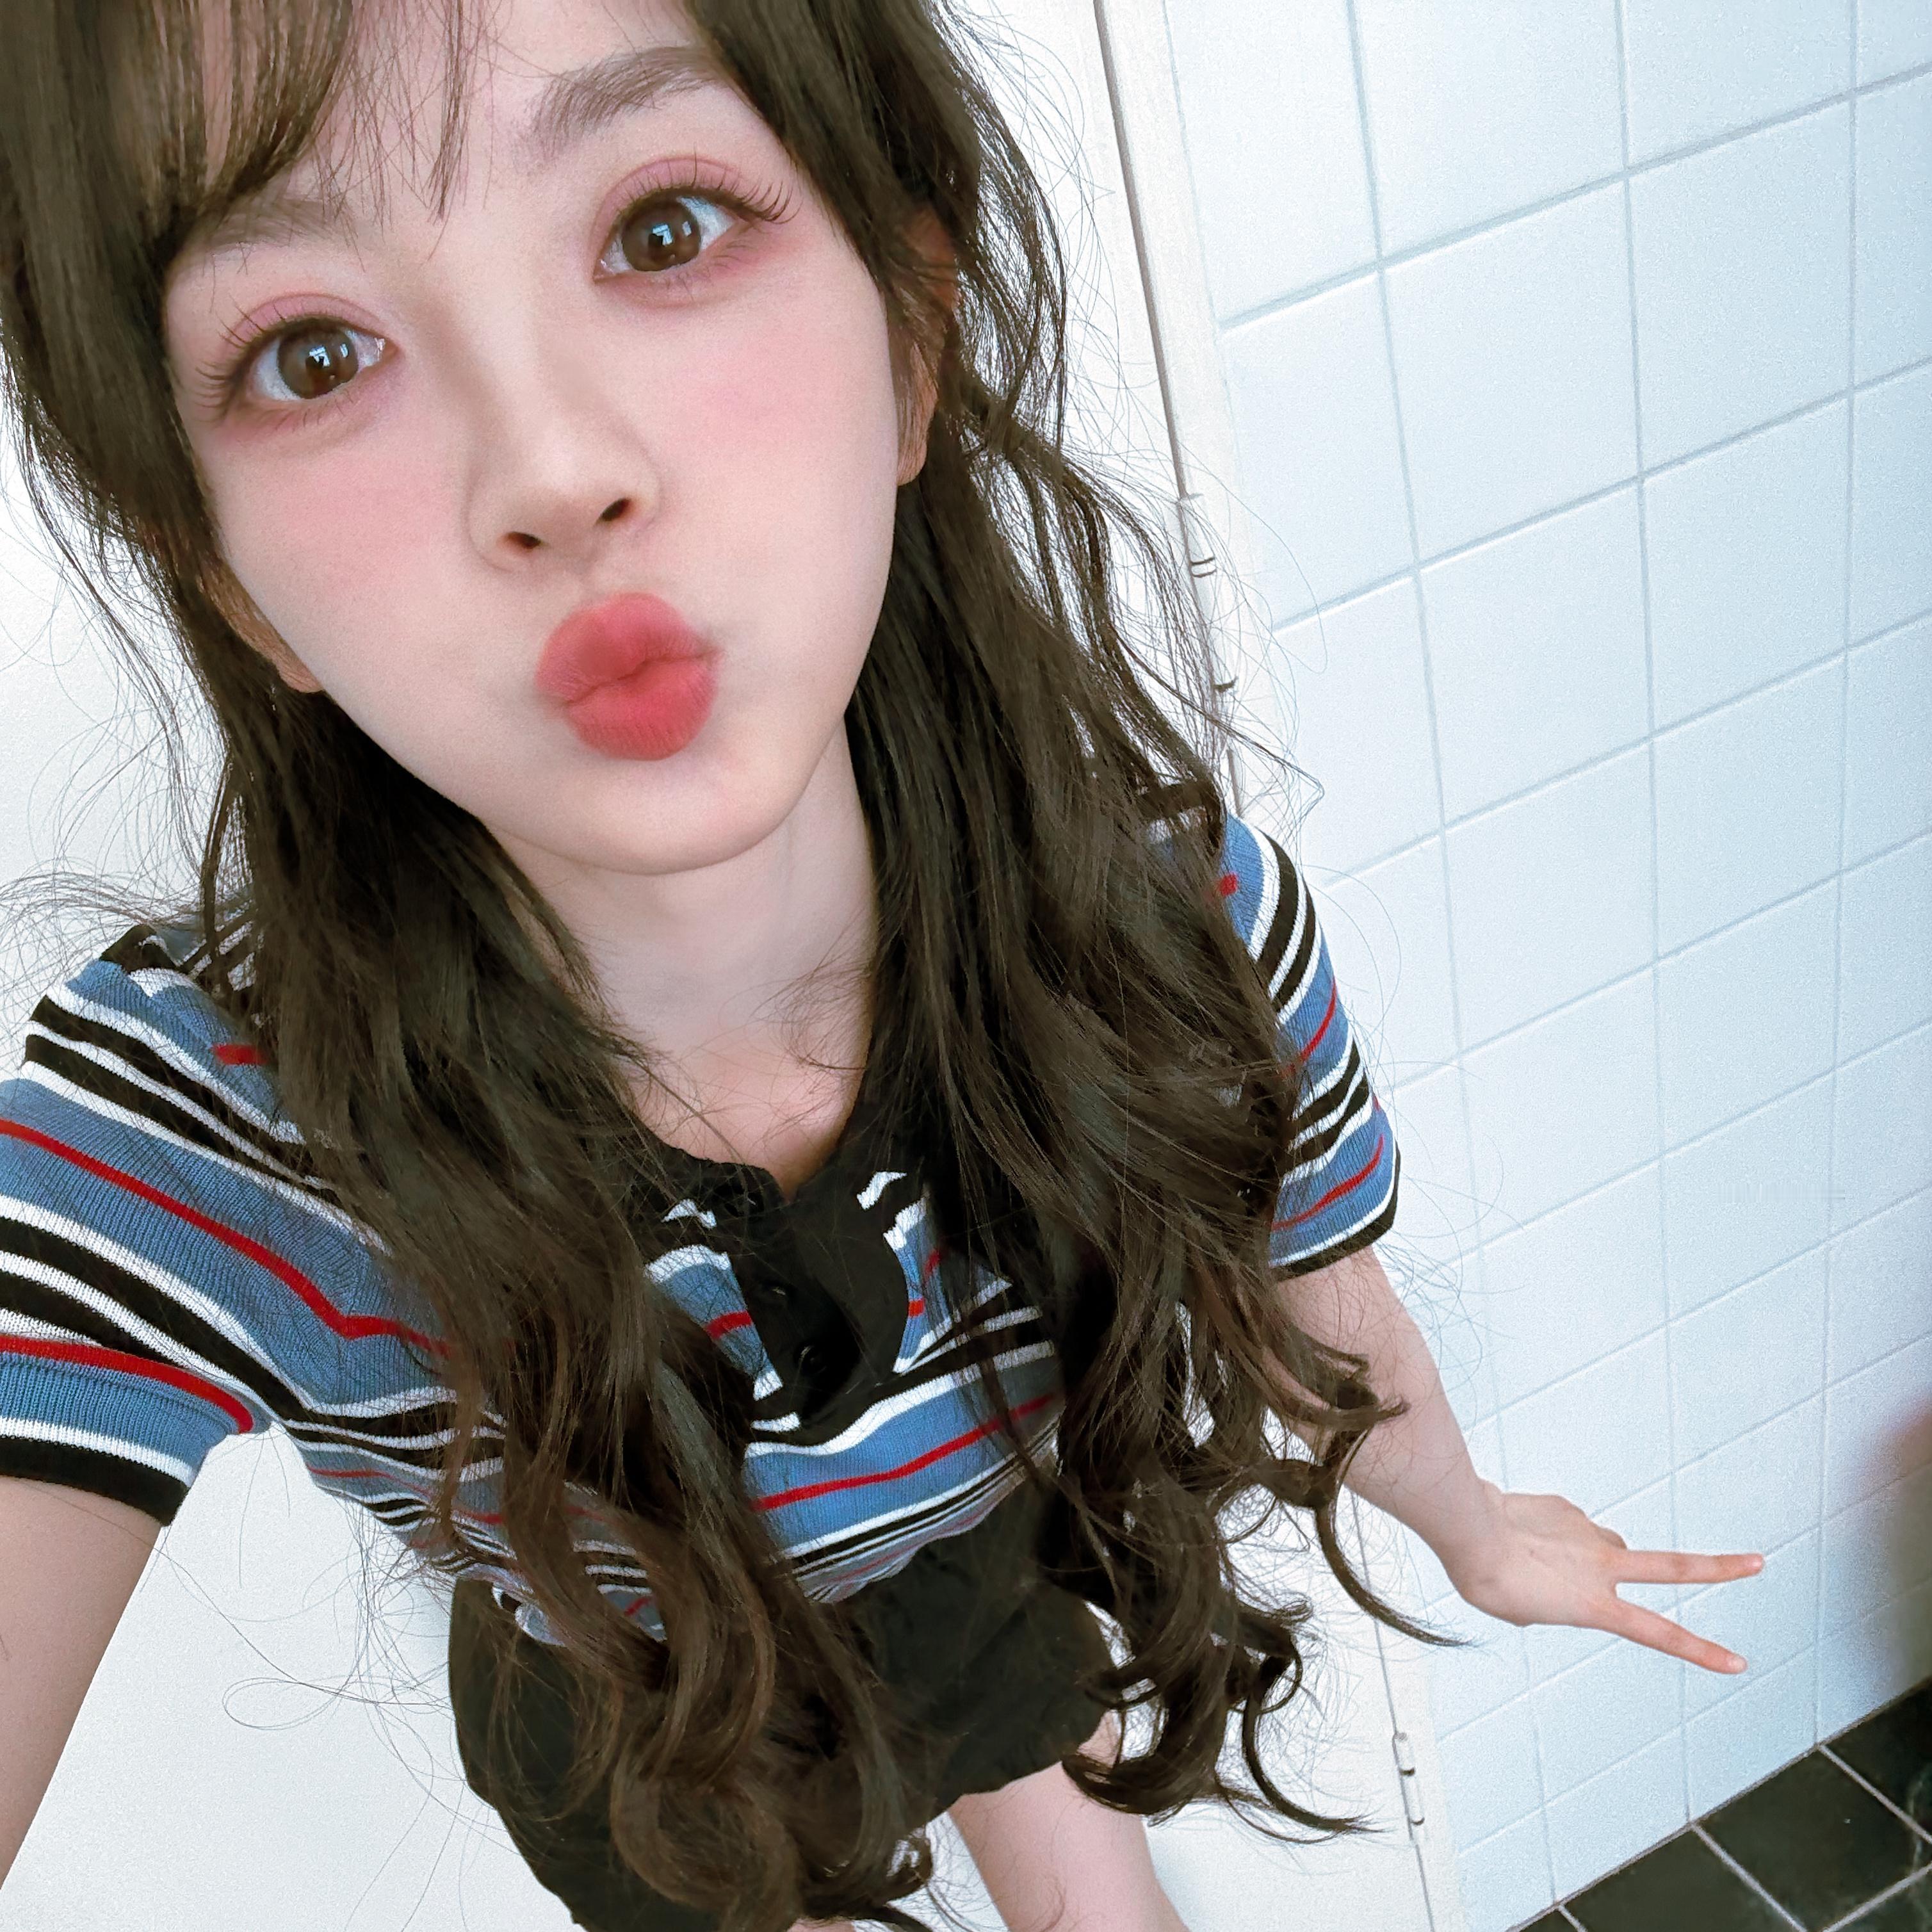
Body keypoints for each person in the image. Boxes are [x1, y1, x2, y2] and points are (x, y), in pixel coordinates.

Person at [0, 1, 1766, 1928]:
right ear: (230, 576)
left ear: (911, 336)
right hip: (647, 1712)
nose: (556, 468)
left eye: (662, 229)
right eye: (314, 352)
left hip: (982, 1578)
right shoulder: (211, 1142)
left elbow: (1309, 1286)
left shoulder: (1168, 932)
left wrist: (1470, 1525)